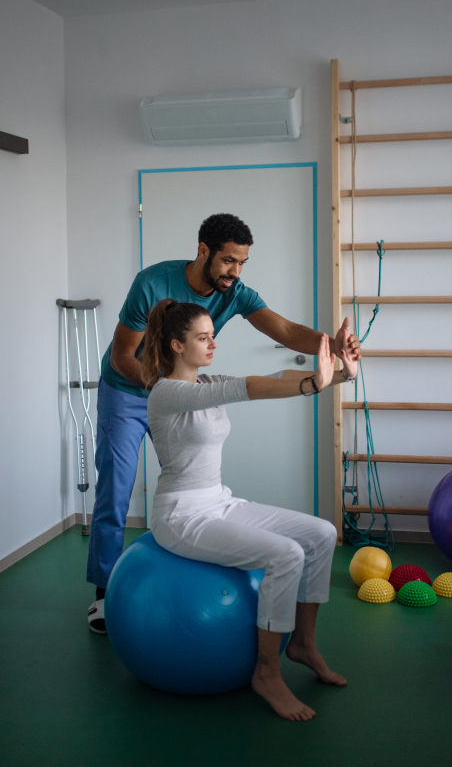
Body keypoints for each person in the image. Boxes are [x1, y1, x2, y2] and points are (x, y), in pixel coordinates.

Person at [87, 213, 357, 634]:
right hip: (127, 387)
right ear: (203, 252)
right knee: (116, 490)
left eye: (243, 262)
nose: (235, 271)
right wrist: (162, 392)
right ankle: (103, 594)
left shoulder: (235, 293)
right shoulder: (151, 283)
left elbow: (284, 329)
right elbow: (124, 352)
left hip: (175, 388)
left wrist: (332, 346)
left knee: (190, 469)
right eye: (229, 260)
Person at [142, 298, 361, 721]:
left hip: (219, 501)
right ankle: (267, 674)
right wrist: (317, 383)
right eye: (202, 338)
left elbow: (276, 376)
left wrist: (341, 373)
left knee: (320, 534)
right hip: (181, 515)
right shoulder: (166, 392)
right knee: (286, 555)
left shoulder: (208, 382)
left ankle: (303, 643)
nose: (212, 345)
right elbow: (250, 387)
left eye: (212, 336)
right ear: (174, 345)